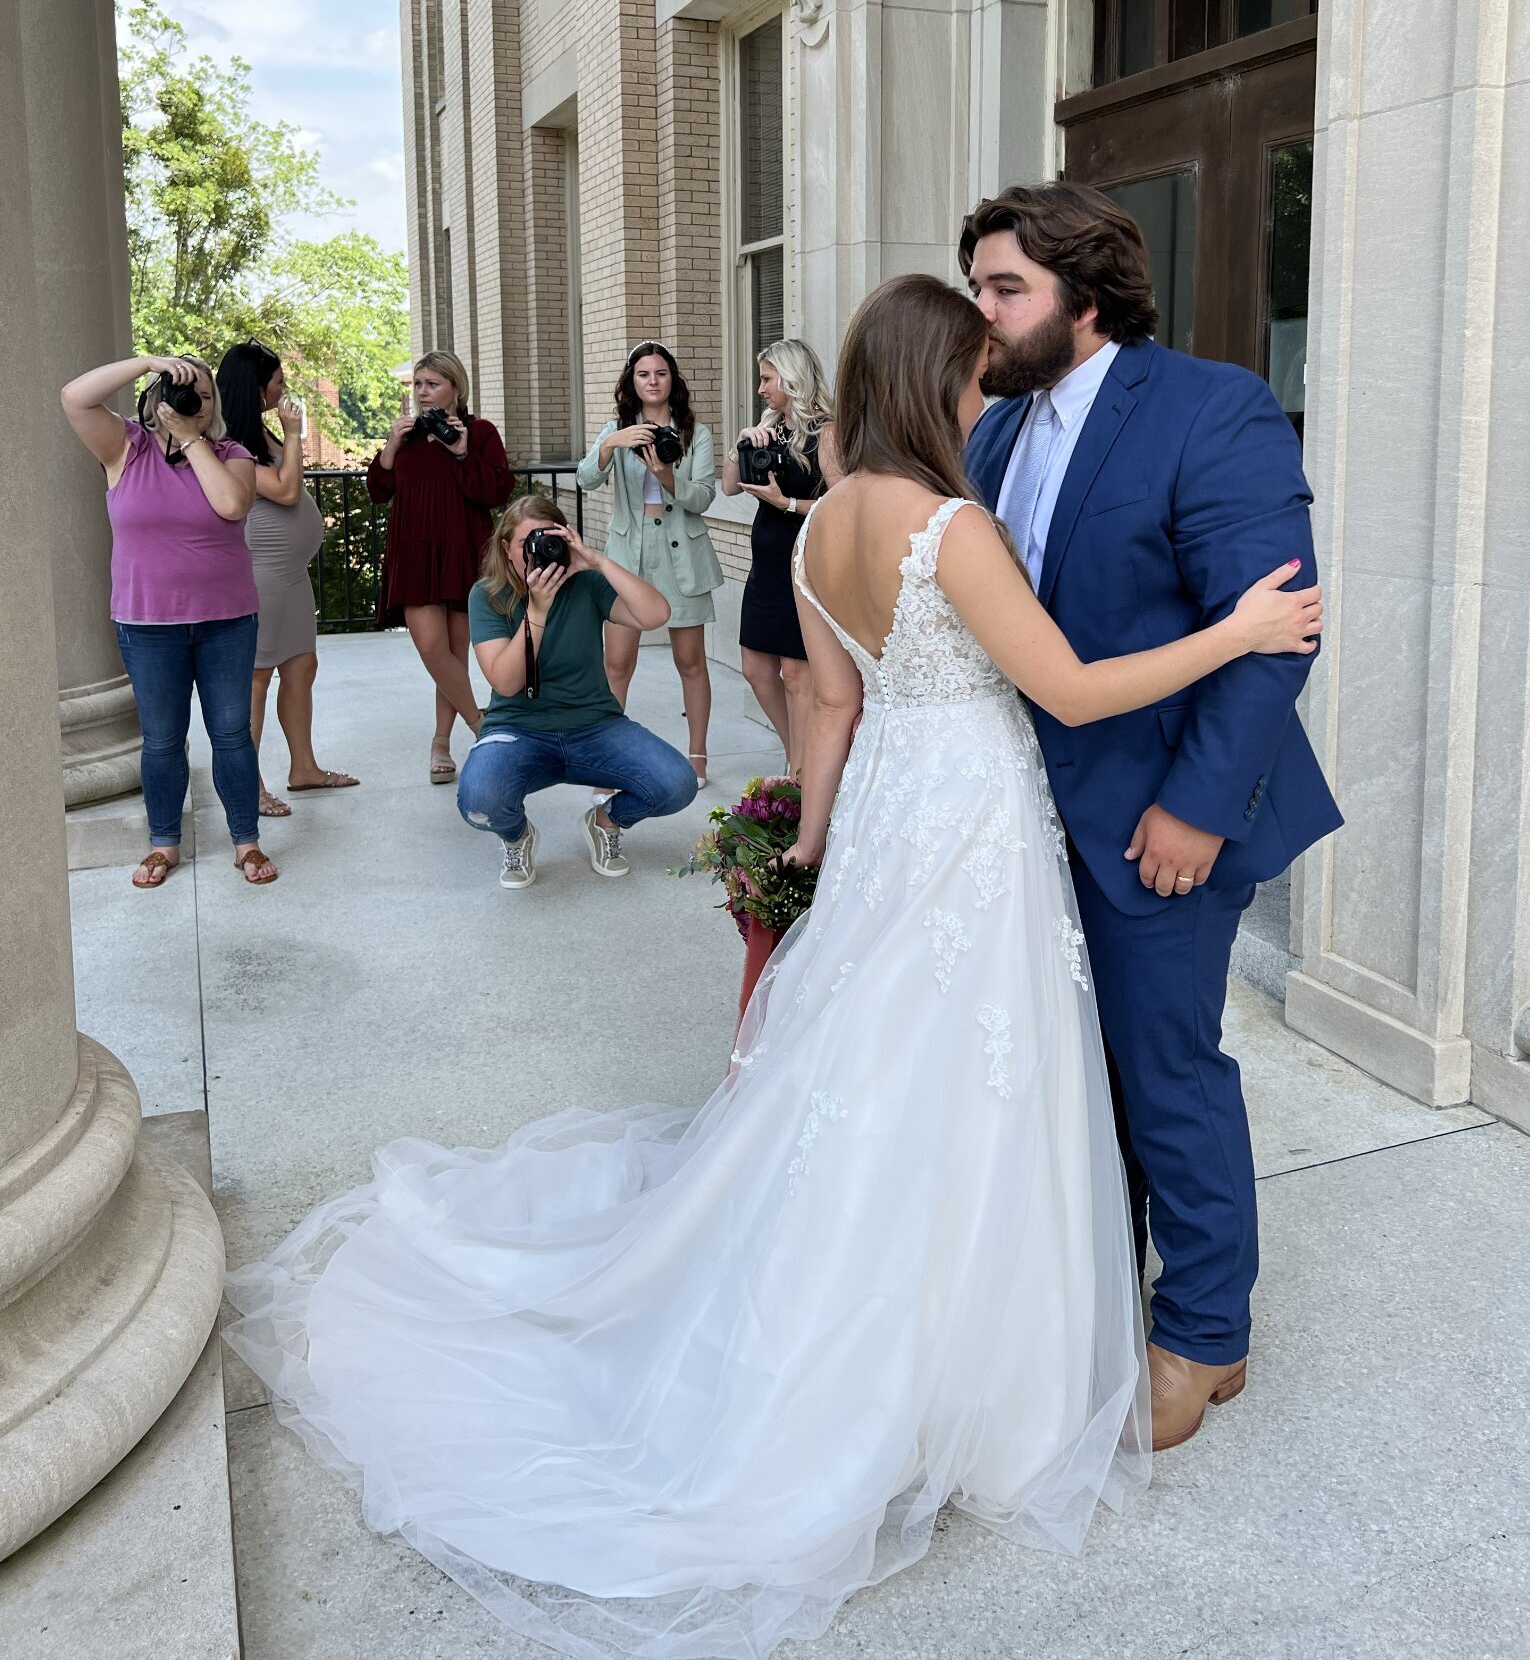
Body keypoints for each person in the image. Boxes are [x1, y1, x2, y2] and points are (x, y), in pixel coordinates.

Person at [225, 273, 1321, 1658]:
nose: (993, 386)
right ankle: (956, 1373)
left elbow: (829, 709)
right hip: (977, 824)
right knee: (969, 1074)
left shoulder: (809, 539)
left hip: (885, 829)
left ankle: (876, 1333)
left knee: (872, 1071)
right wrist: (1233, 632)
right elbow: (1067, 689)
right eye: (979, 362)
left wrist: (811, 849)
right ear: (943, 380)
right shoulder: (951, 525)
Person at [961, 182, 1343, 1453]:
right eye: (976, 288)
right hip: (1025, 823)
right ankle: (1095, 1298)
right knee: (1075, 1079)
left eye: (1006, 287)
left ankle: (1204, 1332)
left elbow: (1273, 634)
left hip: (1159, 824)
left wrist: (1192, 809)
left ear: (1083, 290)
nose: (985, 311)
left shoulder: (1208, 404)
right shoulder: (998, 437)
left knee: (1165, 1075)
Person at [60, 353, 280, 887]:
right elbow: (74, 397)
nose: (193, 403)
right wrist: (146, 363)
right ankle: (163, 845)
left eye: (204, 397)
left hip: (227, 621)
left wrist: (190, 439)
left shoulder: (233, 454)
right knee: (161, 738)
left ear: (215, 408)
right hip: (146, 622)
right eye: (182, 392)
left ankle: (245, 843)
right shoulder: (123, 449)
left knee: (230, 734)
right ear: (154, 400)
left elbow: (231, 504)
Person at [454, 494, 698, 886]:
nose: (540, 551)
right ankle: (517, 836)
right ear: (506, 549)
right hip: (518, 729)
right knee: (480, 800)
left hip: (595, 726)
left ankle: (606, 821)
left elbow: (656, 615)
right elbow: (506, 682)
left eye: (550, 539)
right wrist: (536, 610)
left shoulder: (586, 584)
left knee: (677, 784)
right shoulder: (488, 595)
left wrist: (596, 560)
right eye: (528, 543)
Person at [216, 339, 357, 817]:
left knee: (301, 667)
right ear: (257, 388)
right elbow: (287, 490)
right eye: (277, 381)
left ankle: (304, 769)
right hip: (262, 576)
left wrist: (285, 435)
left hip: (290, 577)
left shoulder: (260, 434)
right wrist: (294, 432)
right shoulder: (228, 442)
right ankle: (248, 786)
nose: (284, 389)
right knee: (257, 678)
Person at [577, 343, 724, 788]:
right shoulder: (616, 430)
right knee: (617, 663)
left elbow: (703, 498)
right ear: (632, 382)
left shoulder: (694, 433)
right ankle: (606, 757)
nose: (653, 381)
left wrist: (666, 475)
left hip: (683, 553)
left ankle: (697, 756)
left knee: (691, 662)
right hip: (629, 556)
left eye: (661, 373)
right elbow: (586, 479)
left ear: (672, 380)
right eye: (644, 374)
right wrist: (612, 444)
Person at [367, 349, 513, 784]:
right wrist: (391, 446)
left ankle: (440, 743)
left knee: (453, 652)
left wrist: (463, 452)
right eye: (418, 384)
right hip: (414, 551)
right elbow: (378, 490)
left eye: (432, 384)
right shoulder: (406, 436)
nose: (423, 392)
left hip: (463, 549)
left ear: (455, 388)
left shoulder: (480, 432)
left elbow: (496, 491)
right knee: (432, 648)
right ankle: (480, 724)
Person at [720, 338, 842, 771]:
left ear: (793, 380)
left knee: (796, 674)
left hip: (804, 564)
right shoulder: (772, 428)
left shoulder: (826, 430)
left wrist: (786, 504)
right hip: (766, 566)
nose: (761, 389)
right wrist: (742, 444)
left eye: (767, 379)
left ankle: (803, 770)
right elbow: (729, 487)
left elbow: (844, 503)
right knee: (755, 667)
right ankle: (797, 753)